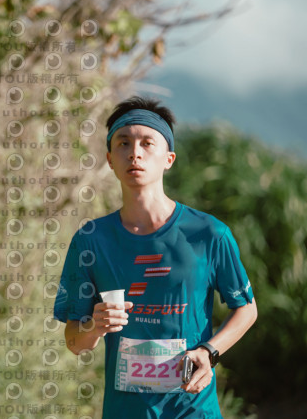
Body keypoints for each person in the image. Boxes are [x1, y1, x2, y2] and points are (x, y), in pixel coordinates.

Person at [54, 96, 257, 418]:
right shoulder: (90, 240)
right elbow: (74, 342)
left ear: (169, 159)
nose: (134, 152)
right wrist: (94, 326)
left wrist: (209, 351)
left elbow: (246, 308)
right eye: (123, 143)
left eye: (147, 143)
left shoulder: (209, 233)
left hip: (193, 409)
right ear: (109, 159)